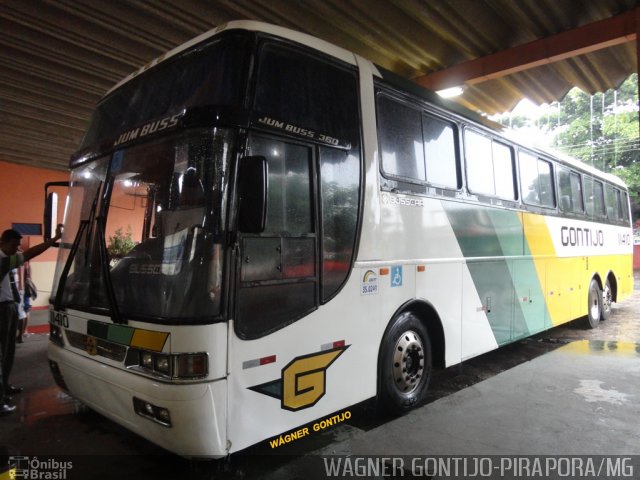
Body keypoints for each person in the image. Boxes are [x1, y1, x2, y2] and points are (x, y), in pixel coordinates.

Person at [0, 225, 62, 416]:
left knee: (8, 350)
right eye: (14, 245)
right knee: (2, 352)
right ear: (3, 242)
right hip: (2, 309)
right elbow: (30, 254)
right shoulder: (2, 261)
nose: (17, 248)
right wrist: (52, 241)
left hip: (9, 306)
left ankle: (4, 387)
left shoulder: (6, 259)